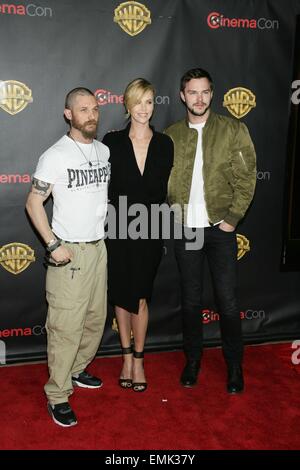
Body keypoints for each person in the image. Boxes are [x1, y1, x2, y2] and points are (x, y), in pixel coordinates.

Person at [165, 68, 256, 393]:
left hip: (221, 229)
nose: (199, 98)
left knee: (227, 302)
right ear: (182, 95)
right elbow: (161, 182)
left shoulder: (233, 129)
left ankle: (234, 366)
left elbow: (247, 178)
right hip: (186, 229)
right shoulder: (171, 134)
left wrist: (232, 218)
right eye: (193, 92)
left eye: (204, 92)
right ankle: (193, 361)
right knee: (190, 301)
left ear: (212, 94)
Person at [26, 87, 110, 426]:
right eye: (83, 109)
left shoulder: (103, 152)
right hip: (68, 253)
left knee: (94, 320)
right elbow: (34, 203)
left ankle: (76, 370)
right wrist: (52, 244)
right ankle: (57, 395)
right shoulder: (55, 155)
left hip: (98, 249)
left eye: (95, 108)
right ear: (68, 114)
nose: (91, 114)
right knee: (65, 327)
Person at [103, 78, 173, 392]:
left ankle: (141, 359)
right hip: (118, 226)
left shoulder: (165, 143)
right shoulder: (111, 141)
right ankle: (126, 357)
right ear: (127, 105)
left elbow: (168, 190)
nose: (143, 109)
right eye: (137, 102)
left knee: (141, 295)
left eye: (148, 101)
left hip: (151, 227)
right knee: (121, 294)